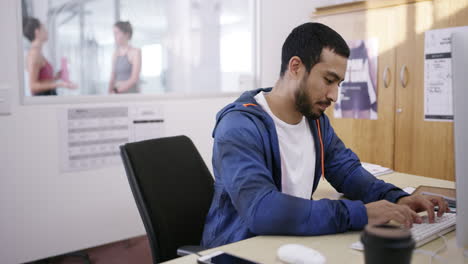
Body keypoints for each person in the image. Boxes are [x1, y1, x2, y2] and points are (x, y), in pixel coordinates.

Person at [201, 22, 449, 248]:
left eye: (338, 83)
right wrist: (361, 213)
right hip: (239, 250)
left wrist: (396, 198)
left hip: (289, 243)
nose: (334, 95)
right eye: (328, 80)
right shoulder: (239, 126)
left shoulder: (316, 122)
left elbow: (348, 172)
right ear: (296, 67)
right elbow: (261, 210)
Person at [23, 17, 75, 96]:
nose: (47, 32)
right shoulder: (34, 54)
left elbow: (42, 81)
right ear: (37, 32)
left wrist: (56, 78)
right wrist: (59, 84)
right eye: (44, 29)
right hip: (41, 101)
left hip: (47, 96)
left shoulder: (38, 53)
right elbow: (33, 86)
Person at [338, 39, 377, 119]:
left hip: (362, 94)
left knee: (365, 127)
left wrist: (378, 97)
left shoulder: (365, 45)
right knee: (347, 126)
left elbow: (373, 74)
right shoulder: (341, 44)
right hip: (346, 93)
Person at [108, 21, 141, 94]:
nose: (114, 36)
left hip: (130, 93)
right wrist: (109, 93)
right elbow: (113, 76)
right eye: (114, 33)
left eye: (117, 33)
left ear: (126, 34)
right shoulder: (115, 54)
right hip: (116, 93)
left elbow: (134, 79)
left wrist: (116, 91)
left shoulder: (135, 52)